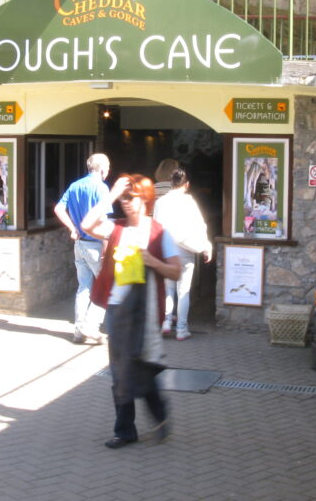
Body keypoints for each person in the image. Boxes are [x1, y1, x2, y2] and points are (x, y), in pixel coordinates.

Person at [82, 174, 181, 449]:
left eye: (131, 197)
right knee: (119, 372)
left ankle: (160, 416)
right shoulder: (117, 228)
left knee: (141, 367)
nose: (127, 203)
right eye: (124, 198)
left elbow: (176, 270)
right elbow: (86, 224)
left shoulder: (159, 232)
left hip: (146, 312)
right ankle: (125, 431)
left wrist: (153, 261)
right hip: (117, 310)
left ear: (145, 199)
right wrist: (111, 195)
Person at [54, 153, 112, 344]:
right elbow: (103, 220)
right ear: (102, 169)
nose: (109, 171)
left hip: (79, 244)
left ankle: (78, 331)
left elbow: (58, 209)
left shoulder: (75, 186)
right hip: (95, 244)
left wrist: (72, 228)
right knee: (105, 286)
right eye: (108, 167)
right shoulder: (102, 189)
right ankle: (92, 326)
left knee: (84, 287)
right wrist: (106, 245)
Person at [153, 167, 213, 341]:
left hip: (166, 250)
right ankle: (181, 328)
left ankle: (165, 322)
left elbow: (156, 227)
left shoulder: (160, 202)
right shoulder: (189, 202)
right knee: (183, 291)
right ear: (187, 184)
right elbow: (199, 225)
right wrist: (206, 246)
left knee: (168, 290)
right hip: (185, 250)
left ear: (171, 183)